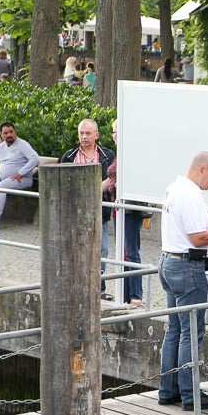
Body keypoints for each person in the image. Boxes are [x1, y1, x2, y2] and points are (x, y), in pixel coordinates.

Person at [157, 151, 208, 412]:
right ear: (201, 169)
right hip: (187, 266)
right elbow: (198, 238)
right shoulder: (192, 194)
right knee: (191, 332)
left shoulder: (174, 188)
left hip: (168, 262)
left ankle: (167, 390)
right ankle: (190, 394)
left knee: (174, 329)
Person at [60, 119, 115, 299]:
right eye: (81, 133)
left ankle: (99, 289)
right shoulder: (69, 156)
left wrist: (96, 190)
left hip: (100, 209)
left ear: (96, 135)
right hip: (76, 210)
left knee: (102, 249)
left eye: (88, 133)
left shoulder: (107, 155)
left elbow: (112, 180)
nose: (84, 137)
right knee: (76, 246)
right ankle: (77, 285)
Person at [103, 120, 145, 306]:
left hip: (129, 208)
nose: (113, 135)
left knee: (131, 250)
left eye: (116, 131)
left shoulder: (132, 152)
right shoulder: (120, 154)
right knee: (123, 252)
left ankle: (135, 294)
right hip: (117, 207)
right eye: (113, 132)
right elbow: (111, 178)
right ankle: (125, 292)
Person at [0, 122, 39, 229]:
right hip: (1, 178)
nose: (9, 135)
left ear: (15, 132)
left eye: (11, 132)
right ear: (1, 135)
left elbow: (35, 159)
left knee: (1, 187)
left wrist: (21, 172)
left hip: (21, 179)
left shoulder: (22, 144)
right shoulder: (1, 147)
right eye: (6, 133)